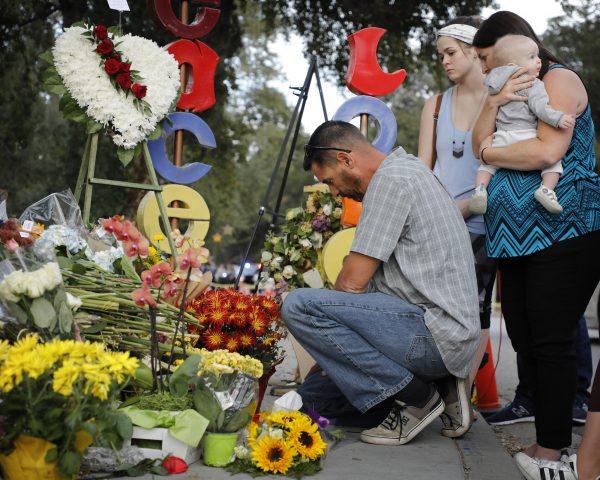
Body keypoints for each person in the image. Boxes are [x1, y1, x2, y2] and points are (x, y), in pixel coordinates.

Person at [282, 120, 480, 445]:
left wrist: (333, 347)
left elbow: (351, 285)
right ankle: (441, 386)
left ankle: (418, 397)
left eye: (330, 182)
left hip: (432, 334)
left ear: (346, 159)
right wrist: (333, 359)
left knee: (299, 306)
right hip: (435, 331)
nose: (333, 193)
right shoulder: (410, 169)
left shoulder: (390, 182)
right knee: (311, 401)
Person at [471, 11, 600, 479]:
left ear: (511, 45)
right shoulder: (502, 89)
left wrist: (489, 152)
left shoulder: (559, 79)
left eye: (485, 58)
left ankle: (553, 451)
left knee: (550, 340)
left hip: (566, 230)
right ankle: (548, 437)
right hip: (514, 238)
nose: (483, 68)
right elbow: (474, 139)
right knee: (525, 336)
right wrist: (493, 103)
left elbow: (546, 152)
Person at [417, 15, 495, 394]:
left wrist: (465, 209)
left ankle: (462, 395)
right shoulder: (434, 105)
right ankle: (434, 392)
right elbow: (424, 171)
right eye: (441, 54)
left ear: (472, 50)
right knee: (430, 309)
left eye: (451, 52)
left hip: (482, 228)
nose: (445, 61)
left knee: (476, 312)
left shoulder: (499, 100)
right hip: (438, 227)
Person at [469, 34, 576, 215]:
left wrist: (487, 154)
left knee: (486, 166)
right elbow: (540, 108)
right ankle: (546, 190)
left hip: (501, 137)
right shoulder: (533, 83)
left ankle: (480, 189)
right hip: (525, 137)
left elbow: (479, 152)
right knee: (554, 165)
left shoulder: (495, 84)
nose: (539, 61)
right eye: (532, 57)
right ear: (513, 65)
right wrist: (558, 119)